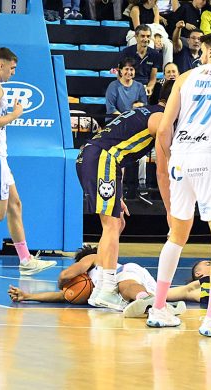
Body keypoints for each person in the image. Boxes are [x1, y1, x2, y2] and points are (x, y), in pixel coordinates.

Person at [148, 32, 211, 338]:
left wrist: (166, 164)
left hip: (179, 156)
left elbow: (164, 128)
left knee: (176, 236)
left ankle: (158, 308)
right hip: (208, 158)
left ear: (207, 51)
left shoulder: (185, 78)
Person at [75, 82, 173, 311]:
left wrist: (116, 193)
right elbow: (161, 171)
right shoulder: (160, 120)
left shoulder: (143, 111)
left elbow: (120, 147)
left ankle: (102, 288)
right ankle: (108, 288)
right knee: (111, 225)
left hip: (92, 157)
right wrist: (170, 210)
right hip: (102, 159)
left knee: (115, 223)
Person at [0, 47, 56, 276]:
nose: (13, 73)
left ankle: (26, 260)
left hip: (1, 155)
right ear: (1, 65)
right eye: (12, 68)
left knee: (15, 205)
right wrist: (15, 114)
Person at [7, 245, 185, 318]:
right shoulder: (90, 288)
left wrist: (63, 281)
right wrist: (28, 296)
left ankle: (147, 301)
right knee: (164, 295)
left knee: (125, 287)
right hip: (138, 277)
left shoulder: (93, 258)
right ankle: (178, 298)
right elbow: (62, 296)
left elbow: (65, 276)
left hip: (125, 273)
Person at [120, 24, 162, 96]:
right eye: (142, 36)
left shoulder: (155, 54)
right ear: (136, 37)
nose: (145, 39)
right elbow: (120, 74)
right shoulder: (126, 52)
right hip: (129, 84)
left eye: (148, 36)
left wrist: (149, 88)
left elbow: (153, 78)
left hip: (145, 86)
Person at [105, 57, 148, 122]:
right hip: (115, 120)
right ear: (121, 71)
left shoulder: (140, 86)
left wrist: (140, 105)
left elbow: (145, 105)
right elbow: (111, 109)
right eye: (126, 69)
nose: (129, 72)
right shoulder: (113, 86)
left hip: (134, 120)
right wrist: (125, 119)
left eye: (131, 69)